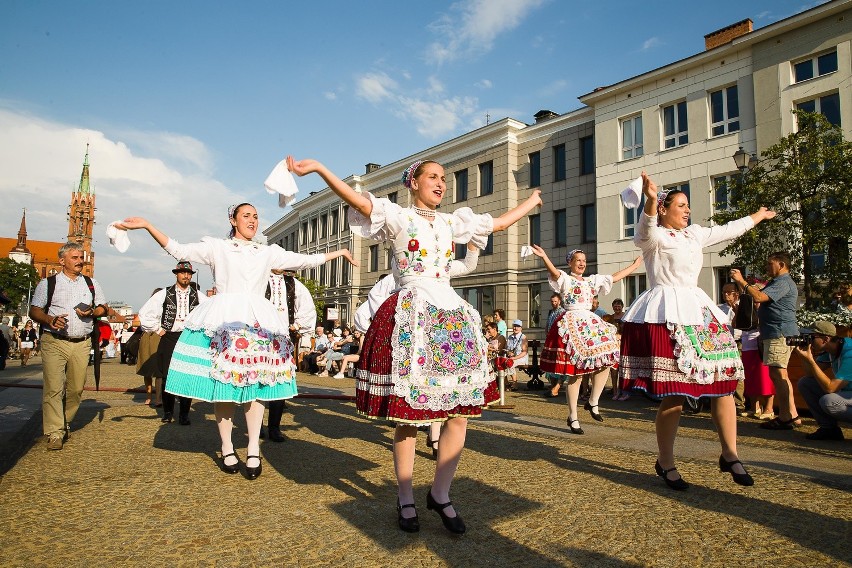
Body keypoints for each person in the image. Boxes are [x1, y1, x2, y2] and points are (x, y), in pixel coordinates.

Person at [288, 155, 541, 534]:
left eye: (443, 178)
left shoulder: (453, 221)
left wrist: (533, 201)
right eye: (433, 177)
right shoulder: (397, 217)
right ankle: (405, 497)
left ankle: (440, 492)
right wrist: (323, 171)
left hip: (450, 317)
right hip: (411, 315)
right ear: (414, 183)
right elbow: (359, 201)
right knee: (407, 415)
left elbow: (500, 223)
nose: (441, 183)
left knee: (460, 410)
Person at [116, 204, 356, 479]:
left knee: (256, 386)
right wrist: (147, 225)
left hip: (257, 321)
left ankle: (254, 448)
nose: (252, 220)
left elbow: (304, 260)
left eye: (255, 216)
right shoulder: (218, 247)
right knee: (225, 386)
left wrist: (339, 252)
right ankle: (227, 446)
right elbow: (179, 250)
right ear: (233, 220)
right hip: (224, 319)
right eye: (246, 215)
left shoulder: (267, 252)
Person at [619, 172, 776, 490]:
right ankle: (665, 461)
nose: (687, 209)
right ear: (664, 210)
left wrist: (757, 216)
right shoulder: (655, 238)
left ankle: (730, 454)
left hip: (699, 311)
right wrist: (650, 200)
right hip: (668, 312)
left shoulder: (694, 234)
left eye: (688, 205)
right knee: (675, 394)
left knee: (724, 383)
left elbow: (726, 230)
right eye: (681, 204)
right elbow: (645, 227)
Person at [534, 246, 641, 434]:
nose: (582, 263)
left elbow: (614, 277)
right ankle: (573, 416)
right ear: (570, 263)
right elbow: (555, 273)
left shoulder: (592, 281)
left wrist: (634, 266)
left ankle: (593, 401)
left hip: (590, 323)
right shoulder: (566, 280)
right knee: (575, 372)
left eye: (584, 260)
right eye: (578, 260)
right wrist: (544, 257)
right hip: (572, 322)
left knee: (607, 357)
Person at [28, 242, 109, 450]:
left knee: (76, 388)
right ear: (62, 261)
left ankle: (64, 421)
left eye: (81, 257)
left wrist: (93, 311)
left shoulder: (91, 283)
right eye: (75, 258)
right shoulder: (48, 283)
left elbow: (104, 308)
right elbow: (34, 310)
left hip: (81, 343)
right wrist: (49, 319)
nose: (80, 261)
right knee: (54, 388)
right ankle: (55, 432)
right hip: (54, 341)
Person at [730, 252, 800, 430]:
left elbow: (759, 297)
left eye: (770, 264)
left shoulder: (783, 282)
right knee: (781, 375)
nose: (767, 267)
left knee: (779, 375)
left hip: (779, 333)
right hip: (775, 333)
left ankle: (785, 417)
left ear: (782, 265)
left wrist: (742, 281)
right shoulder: (777, 282)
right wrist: (741, 283)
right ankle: (792, 415)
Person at [138, 261, 209, 425]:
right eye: (182, 273)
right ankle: (168, 412)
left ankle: (184, 414)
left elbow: (211, 312)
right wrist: (158, 329)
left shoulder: (198, 295)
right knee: (167, 376)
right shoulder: (165, 293)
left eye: (188, 273)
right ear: (176, 274)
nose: (186, 276)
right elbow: (145, 313)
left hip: (188, 337)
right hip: (169, 337)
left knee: (187, 375)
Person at [262, 269, 316, 442]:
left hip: (284, 336)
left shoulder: (293, 284)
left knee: (281, 380)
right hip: (260, 335)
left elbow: (307, 306)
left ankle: (274, 428)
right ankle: (256, 427)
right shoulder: (260, 278)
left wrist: (297, 324)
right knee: (257, 380)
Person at [794, 321, 851, 441]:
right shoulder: (832, 349)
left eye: (812, 337)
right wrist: (804, 355)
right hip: (847, 393)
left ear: (825, 339)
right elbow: (809, 373)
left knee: (829, 401)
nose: (808, 340)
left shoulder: (849, 354)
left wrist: (810, 361)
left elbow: (830, 388)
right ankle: (829, 430)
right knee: (805, 383)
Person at [136, 291, 163, 407]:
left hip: (160, 337)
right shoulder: (147, 308)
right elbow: (136, 322)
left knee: (159, 370)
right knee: (147, 369)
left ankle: (158, 398)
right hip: (147, 337)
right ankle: (149, 396)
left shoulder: (166, 309)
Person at [605, 299, 629, 401]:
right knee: (614, 370)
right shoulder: (609, 318)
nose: (617, 307)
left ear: (622, 306)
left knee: (624, 370)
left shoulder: (627, 317)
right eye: (615, 306)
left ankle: (625, 392)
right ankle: (615, 391)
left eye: (619, 306)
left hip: (624, 346)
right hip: (614, 347)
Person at [504, 320, 529, 392]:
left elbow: (524, 352)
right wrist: (509, 353)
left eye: (518, 326)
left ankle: (515, 383)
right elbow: (507, 349)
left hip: (521, 358)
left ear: (521, 328)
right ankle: (506, 383)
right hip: (512, 357)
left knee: (510, 363)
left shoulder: (523, 338)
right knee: (502, 362)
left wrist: (514, 357)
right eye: (514, 326)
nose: (516, 328)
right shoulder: (510, 337)